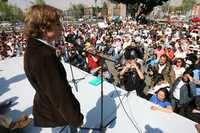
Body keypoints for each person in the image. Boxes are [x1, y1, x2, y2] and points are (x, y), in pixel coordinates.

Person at [23, 5, 83, 133]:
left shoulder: (35, 48)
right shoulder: (43, 56)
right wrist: (76, 119)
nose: (61, 27)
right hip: (58, 116)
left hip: (53, 112)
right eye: (57, 24)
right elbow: (59, 96)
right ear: (43, 28)